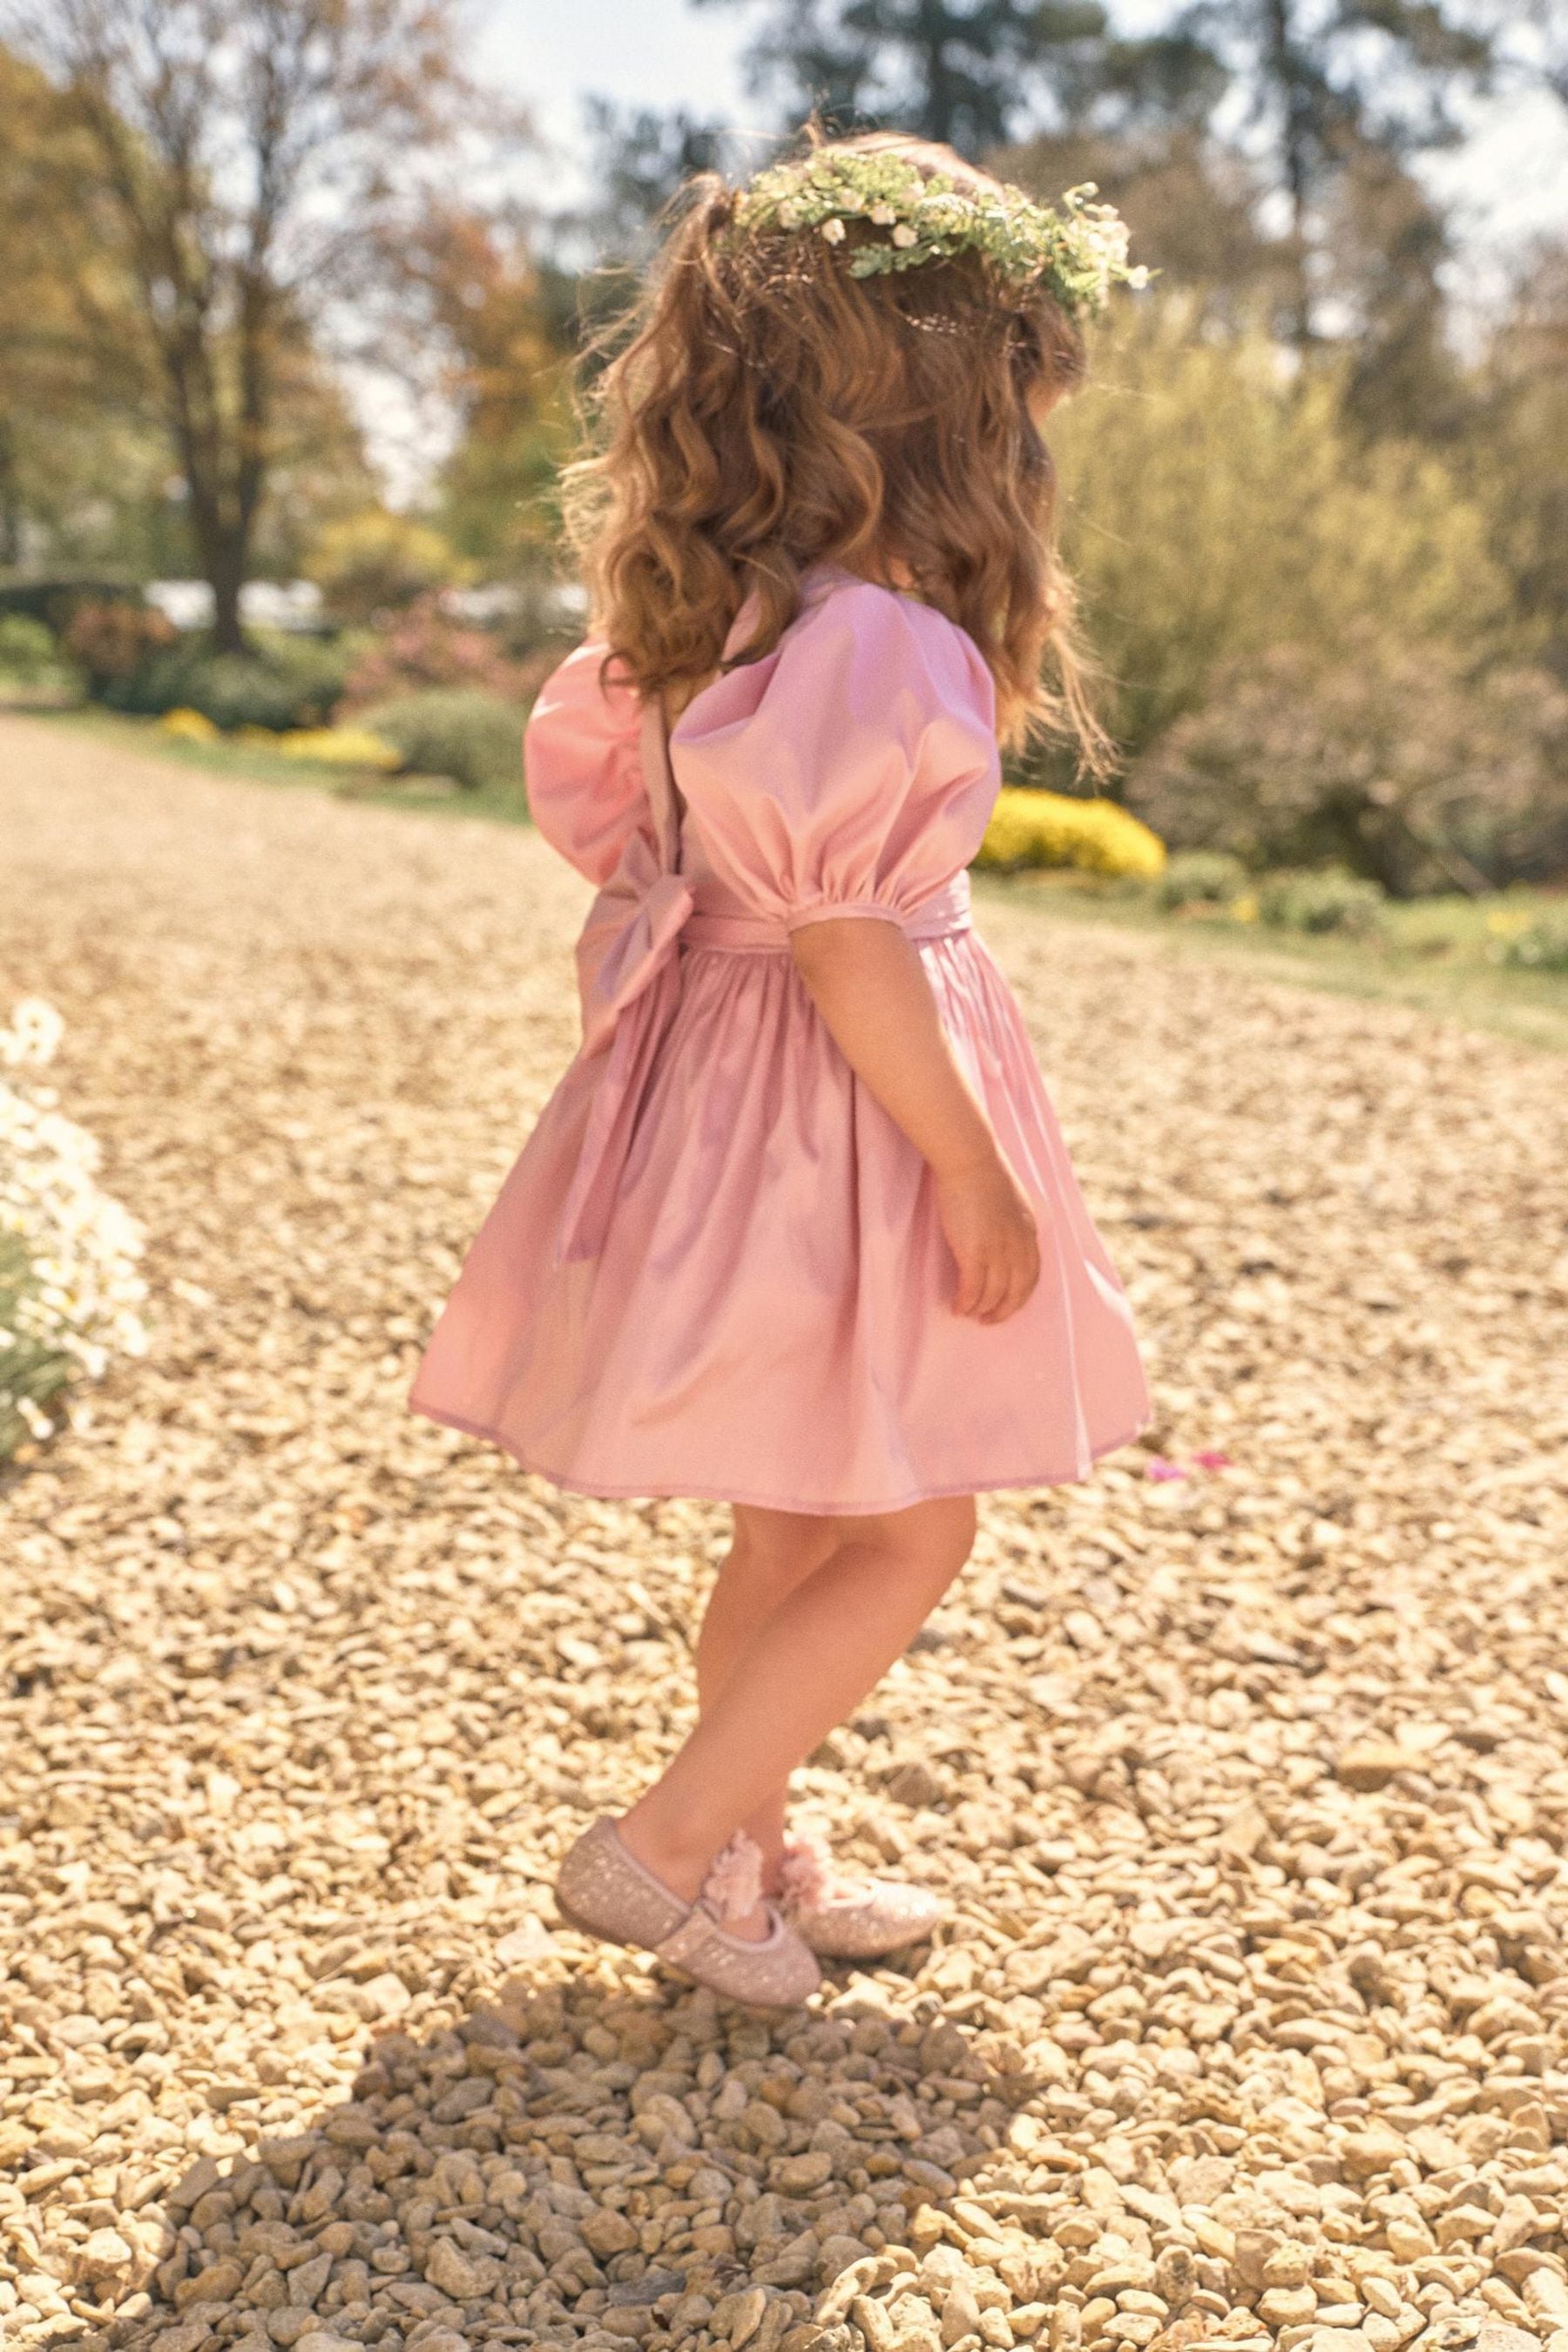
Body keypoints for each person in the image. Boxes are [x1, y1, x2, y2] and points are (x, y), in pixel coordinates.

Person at [410, 132, 1152, 2006]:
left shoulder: (714, 623)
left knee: (800, 1504)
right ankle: (661, 1849)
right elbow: (844, 938)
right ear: (947, 423)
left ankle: (742, 1854)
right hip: (844, 1110)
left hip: (735, 1101)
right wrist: (974, 1170)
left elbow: (685, 874)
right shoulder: (885, 643)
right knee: (917, 1521)